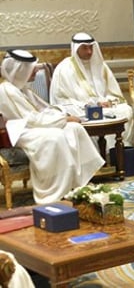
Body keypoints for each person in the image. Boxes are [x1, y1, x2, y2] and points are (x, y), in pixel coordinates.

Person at [0, 50, 105, 204]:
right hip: (20, 132)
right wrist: (64, 119)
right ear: (20, 69)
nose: (35, 71)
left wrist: (63, 116)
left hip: (36, 126)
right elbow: (32, 119)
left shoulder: (23, 89)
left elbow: (44, 110)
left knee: (74, 129)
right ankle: (55, 191)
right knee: (55, 137)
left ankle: (77, 182)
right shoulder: (7, 90)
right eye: (32, 68)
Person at [50, 32, 134, 145]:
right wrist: (86, 106)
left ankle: (117, 151)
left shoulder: (101, 66)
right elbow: (60, 100)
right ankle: (97, 156)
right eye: (84, 48)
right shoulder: (64, 69)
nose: (89, 52)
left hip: (105, 110)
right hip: (80, 110)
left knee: (126, 110)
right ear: (76, 49)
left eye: (90, 47)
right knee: (76, 115)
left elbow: (114, 94)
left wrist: (108, 101)